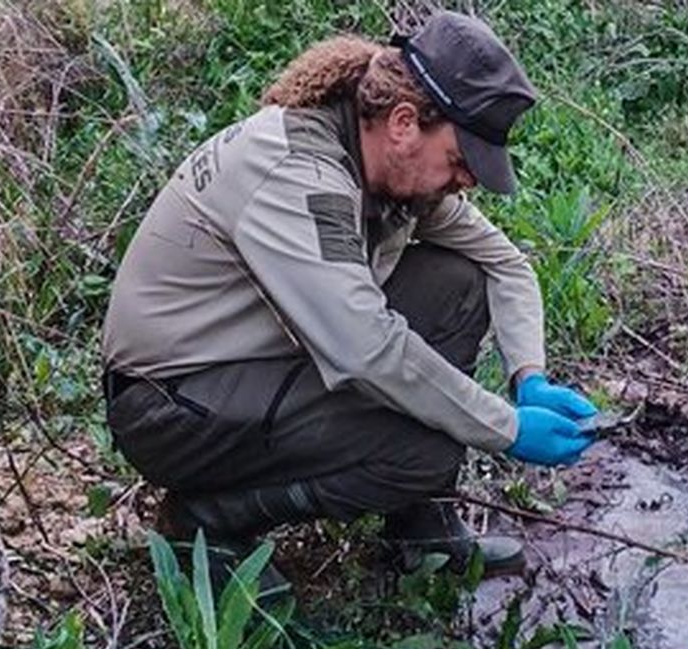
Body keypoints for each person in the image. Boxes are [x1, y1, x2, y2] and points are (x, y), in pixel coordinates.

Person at [101, 12, 597, 590]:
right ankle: (206, 524)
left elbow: (503, 264)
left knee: (455, 281)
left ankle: (419, 527)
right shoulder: (298, 174)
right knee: (425, 446)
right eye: (460, 163)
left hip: (253, 367)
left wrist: (528, 375)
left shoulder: (391, 168)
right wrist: (506, 426)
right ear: (405, 123)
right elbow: (366, 349)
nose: (465, 183)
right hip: (170, 405)